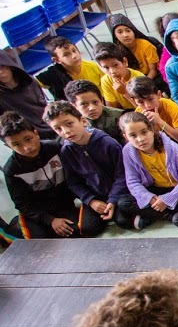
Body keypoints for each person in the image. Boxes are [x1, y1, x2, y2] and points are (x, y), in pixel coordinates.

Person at [1, 111, 105, 239]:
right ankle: (14, 227)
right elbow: (22, 204)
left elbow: (76, 178)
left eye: (28, 139)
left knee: (82, 230)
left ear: (35, 133)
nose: (27, 148)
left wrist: (88, 199)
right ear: (8, 146)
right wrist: (50, 220)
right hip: (38, 211)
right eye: (16, 145)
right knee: (40, 243)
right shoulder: (12, 170)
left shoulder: (55, 148)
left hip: (63, 204)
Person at [43, 100, 132, 230]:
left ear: (83, 121)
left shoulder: (107, 143)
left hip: (118, 193)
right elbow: (74, 183)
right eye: (58, 129)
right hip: (96, 196)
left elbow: (123, 175)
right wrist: (91, 201)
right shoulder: (66, 151)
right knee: (88, 228)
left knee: (122, 221)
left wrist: (112, 200)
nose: (66, 131)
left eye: (69, 123)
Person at [118, 111, 178, 231]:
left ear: (152, 129)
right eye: (133, 135)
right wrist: (150, 198)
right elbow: (132, 182)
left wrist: (167, 199)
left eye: (144, 132)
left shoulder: (172, 148)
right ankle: (169, 216)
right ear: (126, 137)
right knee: (123, 203)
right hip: (156, 190)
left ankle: (155, 214)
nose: (140, 139)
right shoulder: (128, 151)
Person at [0, 52, 57, 140]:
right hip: (30, 138)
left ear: (10, 65)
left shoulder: (29, 81)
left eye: (2, 66)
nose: (1, 72)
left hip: (52, 125)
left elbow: (43, 105)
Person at [36, 37, 104, 101]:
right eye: (66, 54)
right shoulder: (51, 75)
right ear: (57, 60)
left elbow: (106, 88)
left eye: (74, 50)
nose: (74, 56)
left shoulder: (92, 66)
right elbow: (32, 85)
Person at [126, 76, 178, 144]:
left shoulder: (171, 107)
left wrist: (160, 122)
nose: (148, 106)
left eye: (150, 99)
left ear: (159, 94)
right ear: (134, 101)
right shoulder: (139, 113)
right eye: (141, 102)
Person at [65, 80, 127, 146]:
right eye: (84, 104)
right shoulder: (73, 123)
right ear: (74, 106)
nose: (92, 108)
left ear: (101, 100)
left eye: (95, 102)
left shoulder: (119, 116)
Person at [109, 14, 162, 81]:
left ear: (133, 31)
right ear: (115, 35)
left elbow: (153, 71)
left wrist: (142, 85)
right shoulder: (117, 51)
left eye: (128, 31)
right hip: (133, 80)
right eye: (120, 32)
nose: (125, 35)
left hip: (150, 77)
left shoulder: (146, 45)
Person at [95, 42, 145, 110]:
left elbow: (147, 109)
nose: (112, 72)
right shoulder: (106, 80)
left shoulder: (139, 78)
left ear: (125, 62)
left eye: (115, 65)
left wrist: (125, 92)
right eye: (106, 68)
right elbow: (112, 109)